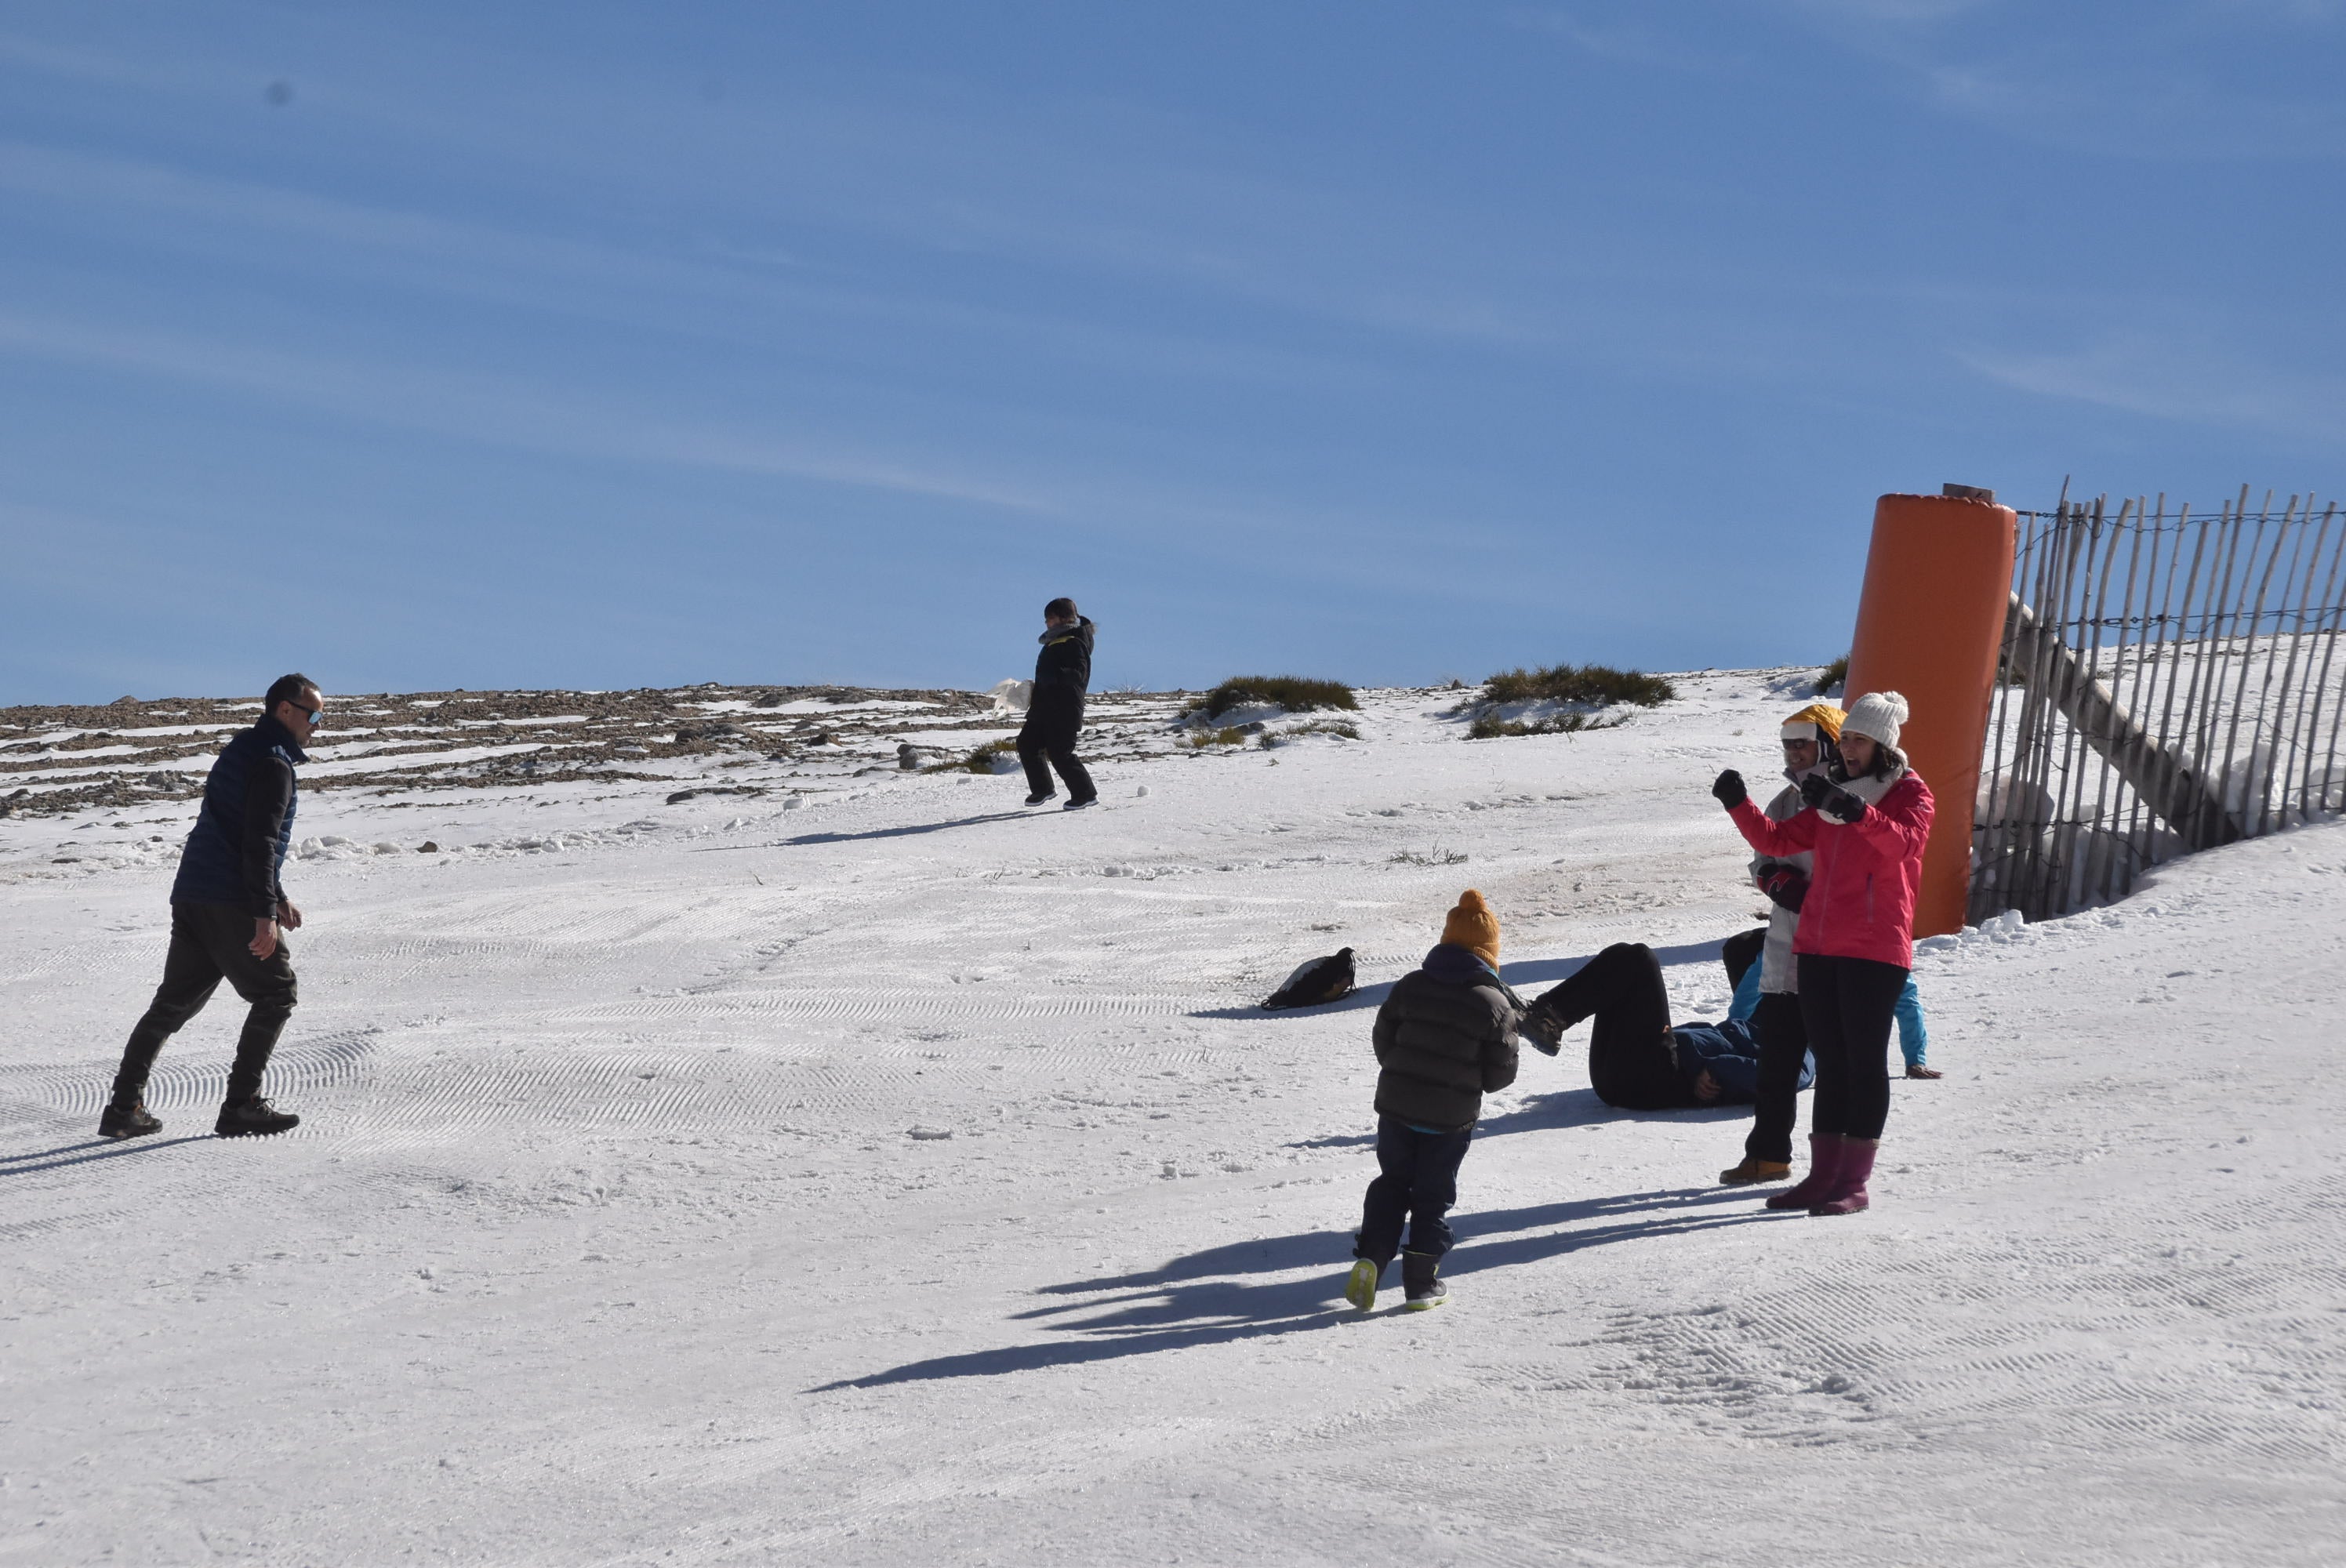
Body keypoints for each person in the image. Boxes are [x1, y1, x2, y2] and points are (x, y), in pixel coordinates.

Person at [1712, 689, 1934, 1217]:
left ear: (1881, 743)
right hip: (1816, 945)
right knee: (1832, 1065)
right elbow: (1779, 839)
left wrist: (1858, 814)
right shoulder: (1830, 793)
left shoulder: (1908, 791)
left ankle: (1853, 1183)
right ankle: (1821, 1177)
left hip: (1874, 948)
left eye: (1859, 739)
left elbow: (1907, 845)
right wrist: (1737, 804)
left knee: (1862, 1065)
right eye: (1848, 737)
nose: (1850, 748)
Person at [100, 674, 321, 1140]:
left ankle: (123, 1108)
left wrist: (276, 896)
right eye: (313, 715)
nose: (317, 726)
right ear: (285, 710)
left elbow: (235, 829)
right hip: (231, 899)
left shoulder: (241, 749)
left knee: (171, 1003)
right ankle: (242, 1105)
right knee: (276, 994)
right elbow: (258, 841)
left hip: (195, 893)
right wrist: (264, 913)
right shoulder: (274, 763)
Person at [1346, 890, 1521, 1313]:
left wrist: (1402, 1073)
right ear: (1489, 954)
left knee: (1392, 1183)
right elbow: (1501, 1075)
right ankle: (1420, 1283)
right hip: (1449, 1121)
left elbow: (1383, 1036)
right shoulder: (1495, 1005)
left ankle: (1372, 1255)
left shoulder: (1410, 985)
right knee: (1432, 1195)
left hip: (1397, 1110)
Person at [1716, 702, 1842, 1185]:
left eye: (1802, 742)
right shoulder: (1782, 804)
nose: (1792, 751)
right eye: (1787, 742)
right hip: (1788, 942)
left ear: (1827, 745)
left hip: (1836, 947)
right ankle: (1768, 1155)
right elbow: (1760, 860)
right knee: (1777, 1059)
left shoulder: (1849, 798)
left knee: (1835, 1061)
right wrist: (1775, 883)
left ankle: (1837, 1164)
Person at [1520, 942, 1814, 1111]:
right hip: (1624, 1076)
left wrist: (1717, 1069)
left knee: (1640, 959)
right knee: (1624, 958)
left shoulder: (1805, 1048)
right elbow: (1755, 969)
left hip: (1660, 1078)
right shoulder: (1760, 1024)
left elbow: (1787, 1078)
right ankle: (1545, 1016)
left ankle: (1547, 1018)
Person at [1017, 597, 1097, 810]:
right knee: (1026, 743)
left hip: (1065, 708)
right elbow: (1048, 675)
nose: (1047, 623)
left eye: (1050, 618)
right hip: (1043, 707)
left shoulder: (1075, 642)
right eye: (1046, 619)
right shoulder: (1053, 642)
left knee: (1060, 751)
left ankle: (1086, 794)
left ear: (1064, 618)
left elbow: (1079, 674)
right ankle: (1043, 789)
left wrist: (1055, 676)